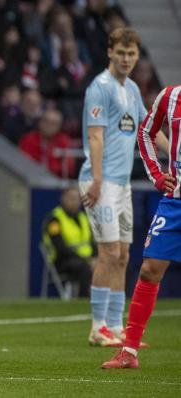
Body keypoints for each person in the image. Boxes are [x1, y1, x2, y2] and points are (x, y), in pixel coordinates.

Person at [78, 28, 168, 347]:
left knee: (124, 255)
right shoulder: (99, 88)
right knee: (109, 252)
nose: (127, 59)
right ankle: (97, 326)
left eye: (132, 54)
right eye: (121, 52)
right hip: (99, 181)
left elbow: (149, 129)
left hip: (122, 186)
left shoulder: (131, 89)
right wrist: (98, 180)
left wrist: (175, 152)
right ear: (110, 52)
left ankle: (116, 326)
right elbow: (95, 136)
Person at [102, 85, 181, 368]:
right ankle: (129, 353)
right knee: (148, 270)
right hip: (175, 203)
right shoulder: (170, 97)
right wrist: (158, 175)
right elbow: (146, 131)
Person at [42, 187, 94, 297]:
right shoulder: (55, 219)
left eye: (77, 199)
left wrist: (96, 257)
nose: (74, 202)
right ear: (62, 199)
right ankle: (83, 300)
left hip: (85, 259)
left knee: (106, 263)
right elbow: (60, 247)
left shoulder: (83, 218)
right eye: (71, 198)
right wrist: (84, 259)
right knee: (83, 267)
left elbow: (93, 242)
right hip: (62, 261)